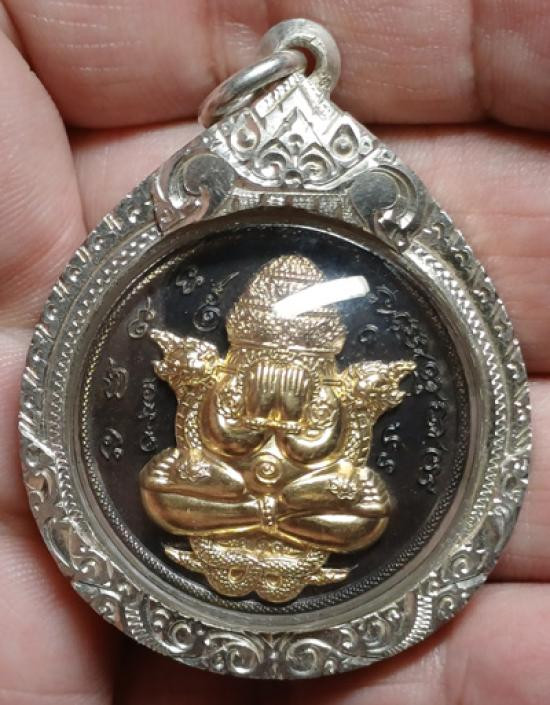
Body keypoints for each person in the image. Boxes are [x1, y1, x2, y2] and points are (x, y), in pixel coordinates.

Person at [0, 1, 549, 703]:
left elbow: (341, 462)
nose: (284, 350)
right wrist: (195, 392)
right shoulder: (233, 374)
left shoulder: (325, 385)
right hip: (226, 495)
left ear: (328, 341)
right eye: (268, 337)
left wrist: (356, 409)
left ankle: (263, 522)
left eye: (302, 341)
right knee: (163, 483)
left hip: (298, 501)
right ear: (243, 330)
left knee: (367, 501)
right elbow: (201, 447)